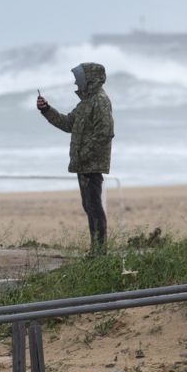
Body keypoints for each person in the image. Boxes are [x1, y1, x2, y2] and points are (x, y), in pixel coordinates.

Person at [36, 62, 114, 252]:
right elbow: (67, 123)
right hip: (84, 164)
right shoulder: (86, 103)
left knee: (94, 207)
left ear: (89, 80)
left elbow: (105, 134)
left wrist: (84, 155)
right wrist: (46, 109)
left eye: (78, 79)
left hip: (91, 165)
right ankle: (97, 251)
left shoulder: (100, 101)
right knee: (89, 206)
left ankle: (100, 252)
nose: (75, 83)